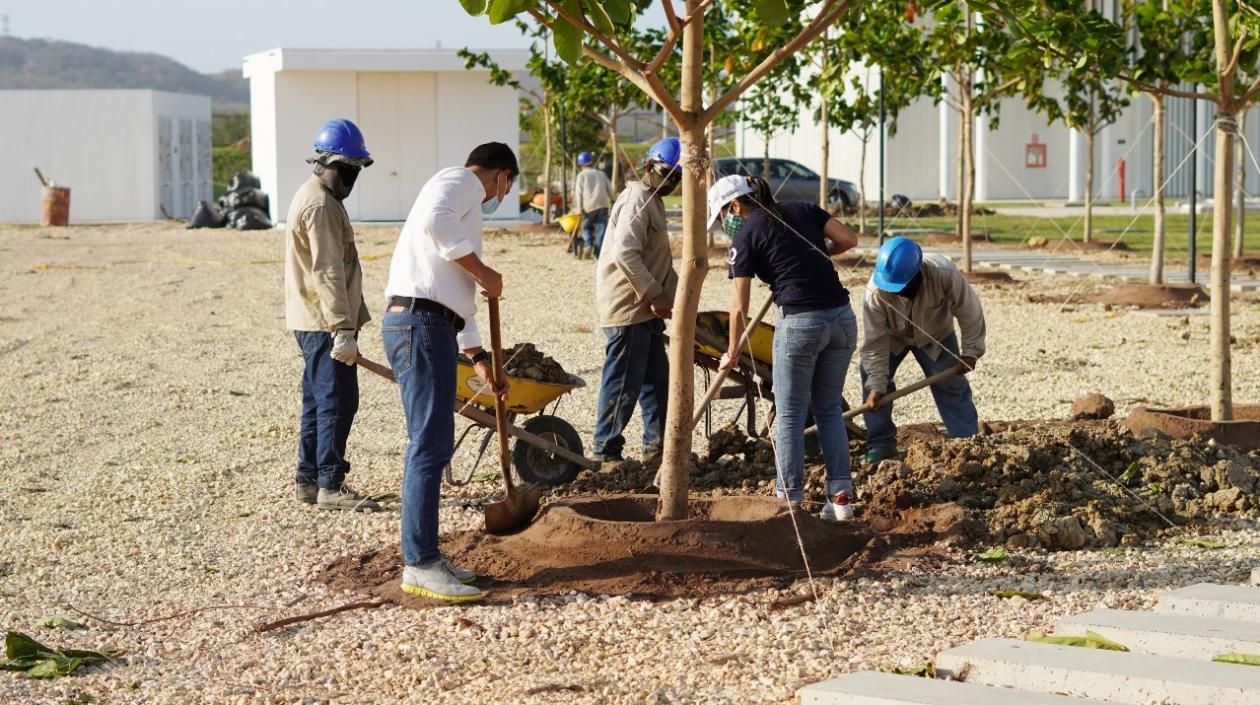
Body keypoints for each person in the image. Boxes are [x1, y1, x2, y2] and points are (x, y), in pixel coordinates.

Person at [382, 142, 516, 602]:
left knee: (433, 443)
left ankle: (429, 557)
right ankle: (419, 563)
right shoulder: (460, 182)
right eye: (508, 187)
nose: (501, 197)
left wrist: (479, 358)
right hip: (419, 324)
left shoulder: (465, 208)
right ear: (501, 175)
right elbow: (434, 224)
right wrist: (483, 271)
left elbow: (456, 297)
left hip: (434, 324)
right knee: (429, 444)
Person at [710, 175, 861, 522]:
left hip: (800, 324)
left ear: (735, 205)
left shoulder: (745, 236)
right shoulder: (803, 208)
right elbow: (848, 240)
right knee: (828, 410)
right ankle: (841, 501)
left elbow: (738, 306)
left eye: (721, 216)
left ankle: (788, 501)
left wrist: (731, 351)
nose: (723, 225)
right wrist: (816, 255)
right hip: (842, 320)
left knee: (790, 414)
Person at [285, 118, 380, 512]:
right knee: (338, 400)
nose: (352, 177)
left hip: (313, 320)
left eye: (356, 170)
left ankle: (308, 480)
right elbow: (327, 270)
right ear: (328, 163)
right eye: (348, 169)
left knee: (318, 399)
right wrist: (343, 329)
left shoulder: (318, 196)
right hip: (325, 323)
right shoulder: (321, 205)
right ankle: (330, 485)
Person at [592, 137, 681, 465]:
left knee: (657, 382)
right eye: (665, 173)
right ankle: (605, 451)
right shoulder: (637, 200)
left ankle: (656, 450)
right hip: (629, 307)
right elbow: (625, 252)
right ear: (648, 167)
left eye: (676, 177)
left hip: (647, 309)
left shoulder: (653, 200)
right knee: (623, 381)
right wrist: (654, 293)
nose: (670, 181)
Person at [859, 237, 985, 464]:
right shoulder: (875, 293)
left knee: (952, 388)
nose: (899, 292)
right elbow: (874, 342)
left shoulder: (943, 273)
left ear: (919, 272)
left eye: (904, 286)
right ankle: (881, 444)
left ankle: (966, 443)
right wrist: (877, 383)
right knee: (873, 388)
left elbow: (969, 310)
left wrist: (971, 351)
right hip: (892, 339)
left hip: (936, 335)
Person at [573, 151, 614, 259]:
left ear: (580, 164)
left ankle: (588, 244)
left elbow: (579, 193)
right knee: (601, 228)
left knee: (586, 227)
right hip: (603, 205)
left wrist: (579, 208)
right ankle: (597, 252)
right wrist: (614, 200)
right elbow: (610, 189)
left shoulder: (581, 175)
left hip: (589, 207)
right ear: (591, 162)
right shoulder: (601, 174)